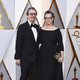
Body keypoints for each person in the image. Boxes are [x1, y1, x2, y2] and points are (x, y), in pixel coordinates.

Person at [37, 10, 64, 80]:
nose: (48, 19)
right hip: (43, 53)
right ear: (44, 19)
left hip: (55, 53)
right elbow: (37, 43)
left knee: (55, 71)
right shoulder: (40, 30)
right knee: (44, 71)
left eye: (49, 18)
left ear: (52, 18)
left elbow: (60, 44)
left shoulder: (57, 30)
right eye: (46, 18)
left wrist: (62, 56)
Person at [14, 7, 39, 80]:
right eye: (31, 14)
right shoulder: (22, 27)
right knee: (24, 77)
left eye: (34, 14)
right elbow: (18, 42)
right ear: (27, 15)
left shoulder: (37, 27)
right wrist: (17, 57)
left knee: (35, 77)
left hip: (36, 58)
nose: (33, 15)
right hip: (25, 58)